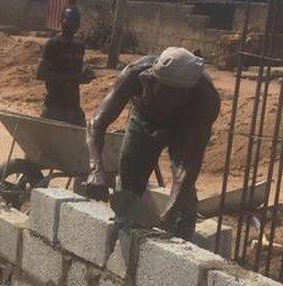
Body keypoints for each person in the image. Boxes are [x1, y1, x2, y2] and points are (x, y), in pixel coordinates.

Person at [84, 47, 220, 240]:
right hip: (144, 121)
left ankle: (179, 246)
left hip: (183, 129)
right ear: (151, 80)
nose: (168, 102)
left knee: (182, 206)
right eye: (162, 94)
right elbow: (97, 123)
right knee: (129, 186)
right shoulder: (133, 76)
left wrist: (175, 202)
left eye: (176, 97)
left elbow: (190, 160)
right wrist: (96, 169)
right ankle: (122, 239)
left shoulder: (206, 99)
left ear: (188, 92)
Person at [36, 7, 95, 126]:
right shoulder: (53, 44)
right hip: (54, 106)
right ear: (61, 20)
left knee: (82, 142)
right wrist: (74, 78)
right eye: (69, 19)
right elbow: (41, 73)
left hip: (73, 106)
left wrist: (86, 76)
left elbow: (78, 72)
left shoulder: (79, 46)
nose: (72, 23)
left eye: (76, 20)